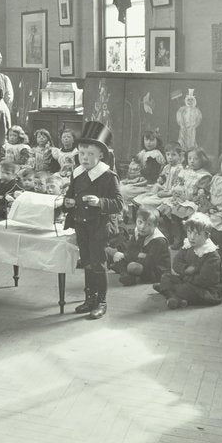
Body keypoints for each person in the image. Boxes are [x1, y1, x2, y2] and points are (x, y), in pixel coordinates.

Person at [63, 121, 123, 320]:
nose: (85, 158)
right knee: (87, 263)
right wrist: (68, 202)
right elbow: (69, 196)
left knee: (98, 264)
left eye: (90, 154)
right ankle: (89, 299)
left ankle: (101, 302)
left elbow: (118, 203)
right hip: (82, 224)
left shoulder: (108, 176)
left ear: (100, 156)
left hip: (100, 226)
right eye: (81, 153)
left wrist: (100, 202)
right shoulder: (77, 173)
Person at [155, 212, 222, 309]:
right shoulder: (188, 245)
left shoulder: (211, 255)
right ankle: (175, 297)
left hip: (205, 289)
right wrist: (186, 269)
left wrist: (185, 279)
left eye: (197, 234)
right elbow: (176, 263)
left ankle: (168, 292)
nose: (192, 237)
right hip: (187, 281)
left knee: (184, 289)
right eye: (189, 232)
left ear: (207, 236)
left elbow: (204, 280)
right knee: (165, 277)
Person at [106, 208, 171, 287]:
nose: (142, 227)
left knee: (132, 266)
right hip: (139, 260)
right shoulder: (138, 231)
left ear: (156, 225)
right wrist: (135, 255)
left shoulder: (159, 240)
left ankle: (130, 275)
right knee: (115, 256)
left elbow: (149, 262)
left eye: (148, 224)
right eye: (140, 222)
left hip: (155, 269)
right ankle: (127, 274)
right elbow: (129, 249)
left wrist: (128, 256)